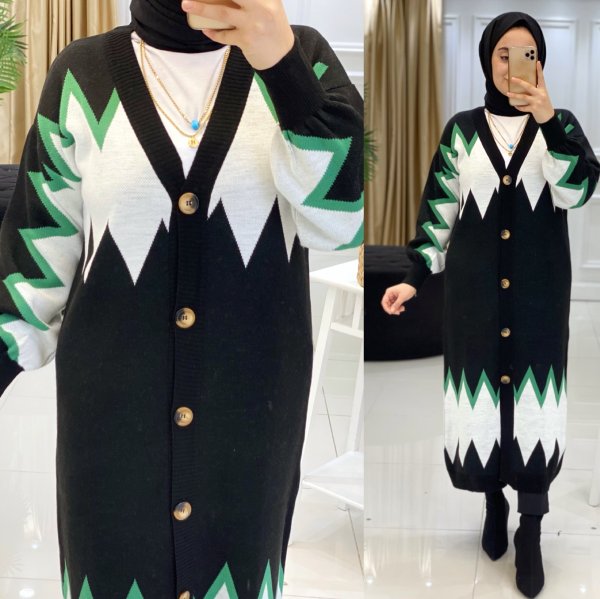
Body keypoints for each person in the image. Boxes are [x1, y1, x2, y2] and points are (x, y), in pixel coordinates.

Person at [0, 0, 363, 597]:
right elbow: (34, 257)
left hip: (250, 417)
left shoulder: (305, 59)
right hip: (110, 424)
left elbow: (340, 222)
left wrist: (281, 67)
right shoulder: (82, 73)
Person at [381, 11, 599, 599]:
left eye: (527, 55)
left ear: (541, 63)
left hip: (538, 300)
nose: (513, 66)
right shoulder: (461, 131)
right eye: (504, 54)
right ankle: (493, 504)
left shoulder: (561, 126)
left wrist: (548, 121)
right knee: (479, 407)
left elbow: (578, 191)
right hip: (473, 301)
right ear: (487, 59)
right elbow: (438, 213)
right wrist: (413, 276)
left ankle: (532, 528)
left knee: (534, 408)